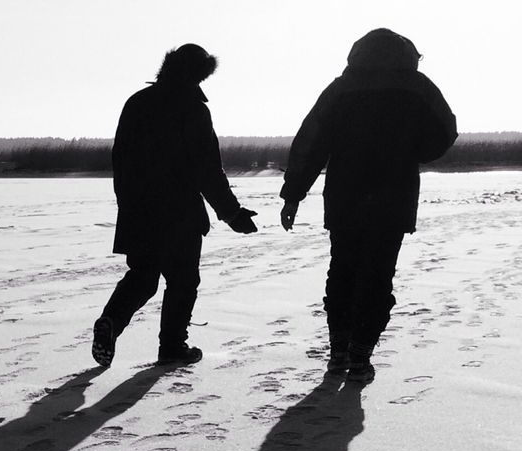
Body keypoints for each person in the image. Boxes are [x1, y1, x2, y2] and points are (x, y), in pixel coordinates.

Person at [280, 29, 457, 383]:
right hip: (394, 195)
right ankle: (360, 355)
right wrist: (412, 151)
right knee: (377, 275)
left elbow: (311, 141)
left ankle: (339, 350)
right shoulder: (418, 87)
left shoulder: (342, 88)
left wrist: (294, 192)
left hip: (345, 194)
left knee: (342, 271)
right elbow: (445, 132)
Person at [91, 43, 258, 369]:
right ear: (197, 74)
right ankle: (172, 347)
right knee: (183, 281)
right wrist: (231, 213)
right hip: (179, 212)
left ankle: (110, 321)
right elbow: (207, 170)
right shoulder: (193, 109)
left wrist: (127, 203)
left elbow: (120, 161)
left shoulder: (137, 103)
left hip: (138, 209)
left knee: (142, 276)